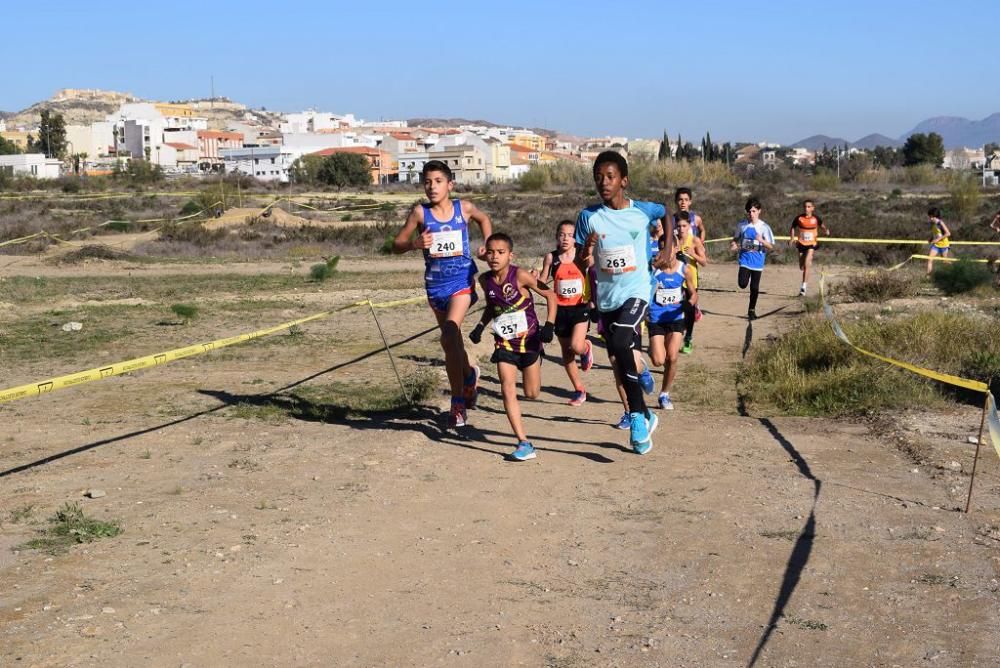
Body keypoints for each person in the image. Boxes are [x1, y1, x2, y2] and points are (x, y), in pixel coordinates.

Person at [575, 151, 665, 454]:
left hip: (638, 290)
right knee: (617, 353)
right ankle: (647, 411)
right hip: (608, 298)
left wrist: (668, 249)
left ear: (624, 180)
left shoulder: (642, 210)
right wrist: (585, 252)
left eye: (610, 176)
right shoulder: (588, 217)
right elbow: (578, 261)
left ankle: (638, 416)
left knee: (624, 339)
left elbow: (666, 212)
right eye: (598, 177)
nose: (604, 182)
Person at [392, 160, 492, 428]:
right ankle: (469, 376)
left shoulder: (464, 208)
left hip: (461, 282)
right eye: (427, 181)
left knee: (448, 333)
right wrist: (414, 244)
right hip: (435, 287)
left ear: (450, 184)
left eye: (437, 181)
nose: (432, 186)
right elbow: (396, 244)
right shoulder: (420, 214)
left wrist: (487, 244)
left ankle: (457, 403)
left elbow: (484, 219)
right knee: (452, 342)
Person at [469, 233, 555, 461]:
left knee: (531, 393)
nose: (495, 256)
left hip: (530, 342)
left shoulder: (521, 276)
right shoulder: (484, 280)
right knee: (507, 387)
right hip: (505, 343)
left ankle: (538, 360)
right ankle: (523, 443)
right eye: (490, 252)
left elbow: (550, 295)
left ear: (510, 255)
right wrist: (479, 327)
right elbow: (491, 306)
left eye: (500, 252)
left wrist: (550, 325)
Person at [539, 221, 594, 406]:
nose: (565, 238)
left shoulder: (581, 255)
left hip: (580, 307)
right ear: (556, 236)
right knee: (567, 353)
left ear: (575, 238)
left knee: (576, 346)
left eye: (570, 235)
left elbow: (593, 272)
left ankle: (586, 348)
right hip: (559, 309)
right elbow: (542, 283)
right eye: (562, 234)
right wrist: (532, 277)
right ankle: (580, 390)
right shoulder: (551, 258)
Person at [648, 236, 699, 410]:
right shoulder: (654, 270)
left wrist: (689, 303)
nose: (666, 252)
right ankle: (651, 353)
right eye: (662, 248)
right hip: (656, 318)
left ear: (677, 248)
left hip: (676, 317)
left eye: (669, 248)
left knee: (673, 357)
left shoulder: (684, 270)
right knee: (658, 361)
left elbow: (693, 293)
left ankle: (664, 395)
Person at [730, 196, 774, 321]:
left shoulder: (764, 227)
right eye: (749, 211)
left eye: (754, 211)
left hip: (758, 261)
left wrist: (761, 240)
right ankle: (744, 281)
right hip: (744, 259)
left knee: (754, 288)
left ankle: (751, 310)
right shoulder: (742, 225)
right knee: (743, 284)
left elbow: (770, 246)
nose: (751, 214)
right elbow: (735, 239)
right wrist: (733, 244)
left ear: (759, 211)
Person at [674, 211, 707, 354]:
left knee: (689, 312)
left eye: (684, 226)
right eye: (679, 226)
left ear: (689, 226)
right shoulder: (673, 240)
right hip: (676, 281)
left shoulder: (694, 240)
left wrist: (693, 254)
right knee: (675, 310)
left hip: (691, 282)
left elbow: (704, 262)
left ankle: (688, 339)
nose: (681, 229)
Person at [789, 199, 830, 296]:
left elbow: (822, 226)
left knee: (807, 264)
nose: (806, 209)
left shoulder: (816, 218)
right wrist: (792, 238)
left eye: (808, 207)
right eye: (805, 207)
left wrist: (826, 231)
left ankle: (803, 288)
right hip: (801, 244)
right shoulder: (799, 218)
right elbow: (792, 227)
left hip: (812, 244)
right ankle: (803, 265)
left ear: (812, 208)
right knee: (802, 266)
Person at [926, 207, 951, 276]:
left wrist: (938, 239)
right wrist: (931, 239)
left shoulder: (940, 223)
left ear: (936, 216)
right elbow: (935, 233)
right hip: (936, 245)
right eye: (930, 217)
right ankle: (928, 277)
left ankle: (955, 269)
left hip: (944, 245)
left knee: (945, 262)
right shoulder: (932, 224)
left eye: (932, 217)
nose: (931, 219)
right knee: (929, 259)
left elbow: (948, 233)